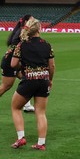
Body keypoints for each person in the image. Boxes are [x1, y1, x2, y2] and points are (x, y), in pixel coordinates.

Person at [10, 17, 55, 151]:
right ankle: (41, 143)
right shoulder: (47, 45)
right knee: (40, 112)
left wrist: (22, 65)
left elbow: (13, 64)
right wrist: (50, 80)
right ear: (39, 29)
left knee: (15, 107)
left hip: (29, 80)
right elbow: (51, 66)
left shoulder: (22, 45)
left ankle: (21, 137)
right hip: (44, 80)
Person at [0, 15, 35, 113]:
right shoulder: (22, 32)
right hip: (11, 62)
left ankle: (27, 105)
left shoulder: (21, 31)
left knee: (28, 80)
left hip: (16, 61)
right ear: (25, 22)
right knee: (6, 86)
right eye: (31, 21)